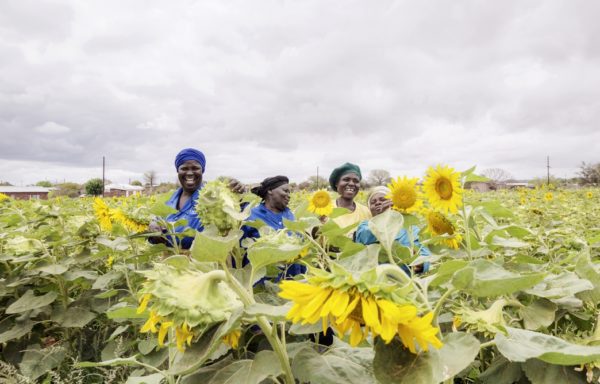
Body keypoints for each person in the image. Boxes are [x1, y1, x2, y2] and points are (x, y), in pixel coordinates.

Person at [148, 148, 244, 249]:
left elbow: (234, 215)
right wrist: (154, 225)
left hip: (204, 261)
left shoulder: (213, 197)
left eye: (195, 168)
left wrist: (238, 194)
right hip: (170, 261)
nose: (189, 173)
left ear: (202, 170)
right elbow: (157, 219)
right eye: (184, 168)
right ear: (178, 171)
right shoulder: (170, 198)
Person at [354, 186, 430, 274]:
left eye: (383, 199)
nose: (378, 203)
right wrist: (384, 218)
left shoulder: (409, 227)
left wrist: (419, 263)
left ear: (393, 202)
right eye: (373, 202)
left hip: (404, 280)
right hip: (375, 280)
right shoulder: (365, 226)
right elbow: (365, 236)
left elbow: (425, 256)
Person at [241, 175, 305, 277]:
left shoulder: (290, 215)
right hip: (264, 283)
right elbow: (242, 254)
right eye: (285, 191)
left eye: (289, 192)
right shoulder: (251, 216)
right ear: (270, 190)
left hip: (292, 280)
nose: (289, 195)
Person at [328, 162, 371, 234]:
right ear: (336, 184)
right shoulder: (324, 208)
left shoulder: (366, 211)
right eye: (346, 179)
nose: (351, 183)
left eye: (356, 181)